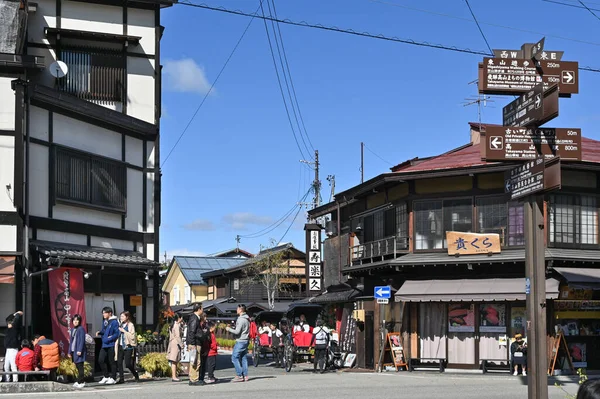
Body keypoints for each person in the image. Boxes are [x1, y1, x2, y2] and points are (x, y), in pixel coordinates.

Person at [226, 304, 251, 382]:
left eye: (237, 308)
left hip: (240, 340)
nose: (236, 310)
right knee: (243, 358)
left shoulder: (240, 319)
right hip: (246, 340)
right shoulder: (247, 319)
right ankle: (245, 375)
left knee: (234, 358)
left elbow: (237, 331)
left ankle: (239, 375)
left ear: (241, 310)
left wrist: (229, 329)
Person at [96, 306, 119, 385]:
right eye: (103, 313)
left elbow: (117, 333)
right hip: (104, 344)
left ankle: (113, 377)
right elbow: (104, 330)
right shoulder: (105, 321)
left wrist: (110, 338)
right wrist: (100, 332)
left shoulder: (115, 322)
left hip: (111, 344)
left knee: (111, 361)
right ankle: (106, 376)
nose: (103, 315)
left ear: (110, 313)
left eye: (105, 313)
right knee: (100, 360)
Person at [186, 303, 208, 386]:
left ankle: (193, 378)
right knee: (196, 361)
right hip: (195, 343)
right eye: (202, 308)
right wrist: (192, 343)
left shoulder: (194, 318)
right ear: (199, 309)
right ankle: (194, 379)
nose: (202, 310)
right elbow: (192, 332)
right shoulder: (194, 318)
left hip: (194, 342)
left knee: (194, 361)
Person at [115, 311, 139, 384]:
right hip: (120, 345)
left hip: (128, 346)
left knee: (128, 364)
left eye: (123, 316)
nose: (121, 318)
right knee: (119, 362)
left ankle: (135, 374)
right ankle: (121, 379)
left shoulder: (130, 325)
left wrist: (124, 331)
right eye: (120, 316)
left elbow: (132, 336)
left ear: (127, 317)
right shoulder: (120, 325)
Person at [68, 314, 87, 389]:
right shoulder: (73, 329)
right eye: (74, 320)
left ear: (79, 321)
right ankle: (79, 381)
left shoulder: (81, 329)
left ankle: (81, 381)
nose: (75, 322)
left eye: (77, 320)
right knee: (77, 366)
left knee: (80, 366)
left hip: (79, 351)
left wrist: (79, 350)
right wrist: (69, 351)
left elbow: (82, 340)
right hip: (74, 350)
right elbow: (71, 341)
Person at [4, 310, 23, 382]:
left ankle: (15, 381)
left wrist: (18, 314)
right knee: (6, 367)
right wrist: (15, 313)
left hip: (13, 349)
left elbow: (16, 320)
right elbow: (7, 318)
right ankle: (7, 380)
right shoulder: (8, 329)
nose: (8, 323)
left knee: (13, 366)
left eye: (9, 322)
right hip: (8, 350)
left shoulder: (14, 328)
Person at [167, 314, 183, 382]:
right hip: (176, 343)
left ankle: (174, 376)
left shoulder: (172, 324)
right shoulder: (176, 325)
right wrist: (181, 344)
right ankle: (174, 376)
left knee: (174, 360)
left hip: (172, 342)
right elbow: (178, 336)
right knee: (174, 360)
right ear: (179, 318)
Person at [198, 314, 211, 384]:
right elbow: (202, 335)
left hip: (206, 346)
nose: (206, 318)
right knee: (199, 363)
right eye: (205, 317)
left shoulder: (206, 326)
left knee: (203, 363)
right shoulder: (199, 326)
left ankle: (202, 378)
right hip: (201, 345)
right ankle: (199, 378)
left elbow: (208, 336)